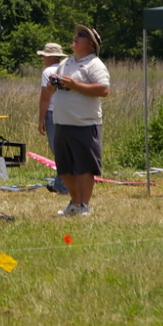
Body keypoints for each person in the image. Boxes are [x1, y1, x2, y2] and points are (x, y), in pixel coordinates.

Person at [43, 25, 110, 216]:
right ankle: (75, 202)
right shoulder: (66, 63)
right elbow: (51, 90)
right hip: (62, 122)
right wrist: (53, 84)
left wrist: (75, 85)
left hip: (85, 123)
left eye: (81, 35)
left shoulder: (94, 64)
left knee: (84, 167)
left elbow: (104, 90)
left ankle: (84, 206)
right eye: (76, 34)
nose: (75, 37)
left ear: (90, 43)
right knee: (64, 168)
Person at [37, 42, 69, 195]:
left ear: (49, 57)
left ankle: (64, 186)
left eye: (44, 56)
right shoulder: (67, 69)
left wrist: (41, 120)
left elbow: (45, 97)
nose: (43, 59)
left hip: (53, 113)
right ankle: (59, 183)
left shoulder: (48, 72)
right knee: (66, 150)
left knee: (58, 151)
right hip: (69, 113)